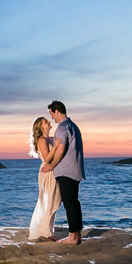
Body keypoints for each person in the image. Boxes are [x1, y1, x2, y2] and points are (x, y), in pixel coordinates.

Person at [39, 100, 85, 245]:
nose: (52, 117)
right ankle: (77, 235)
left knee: (69, 204)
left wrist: (51, 166)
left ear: (57, 111)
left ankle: (72, 237)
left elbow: (60, 150)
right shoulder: (73, 126)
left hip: (66, 171)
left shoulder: (62, 128)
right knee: (74, 202)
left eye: (52, 113)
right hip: (76, 169)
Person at [27, 116, 63, 241]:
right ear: (40, 126)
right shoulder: (42, 140)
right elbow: (47, 158)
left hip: (53, 169)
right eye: (45, 121)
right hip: (47, 171)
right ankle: (45, 232)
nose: (49, 122)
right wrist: (55, 146)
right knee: (49, 200)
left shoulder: (50, 138)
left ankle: (48, 230)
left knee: (56, 201)